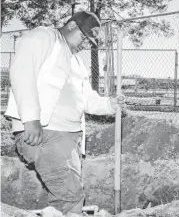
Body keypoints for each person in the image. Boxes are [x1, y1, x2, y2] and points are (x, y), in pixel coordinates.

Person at [5, 11, 124, 214]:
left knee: (68, 194)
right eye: (84, 37)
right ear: (71, 26)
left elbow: (85, 98)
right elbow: (22, 71)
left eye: (90, 41)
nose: (85, 44)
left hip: (69, 138)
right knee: (70, 196)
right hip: (46, 131)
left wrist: (109, 104)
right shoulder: (44, 37)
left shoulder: (76, 61)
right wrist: (31, 117)